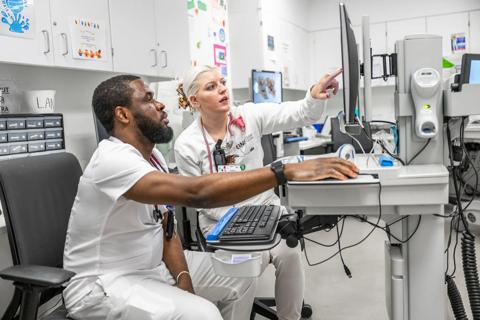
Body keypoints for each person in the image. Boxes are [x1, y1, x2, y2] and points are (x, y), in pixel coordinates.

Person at [63, 75, 358, 320]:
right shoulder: (112, 160)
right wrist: (283, 171)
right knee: (204, 315)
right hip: (103, 285)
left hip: (151, 268)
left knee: (243, 277)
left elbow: (166, 229)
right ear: (123, 114)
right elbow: (197, 193)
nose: (161, 103)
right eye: (149, 99)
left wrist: (184, 280)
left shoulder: (151, 157)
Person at [174, 65, 342, 320]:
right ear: (195, 100)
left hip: (267, 209)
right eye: (211, 87)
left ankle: (290, 317)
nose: (222, 89)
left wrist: (314, 96)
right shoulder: (187, 144)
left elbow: (297, 113)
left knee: (290, 251)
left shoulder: (248, 115)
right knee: (243, 275)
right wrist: (247, 228)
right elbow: (200, 198)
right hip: (222, 221)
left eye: (221, 82)